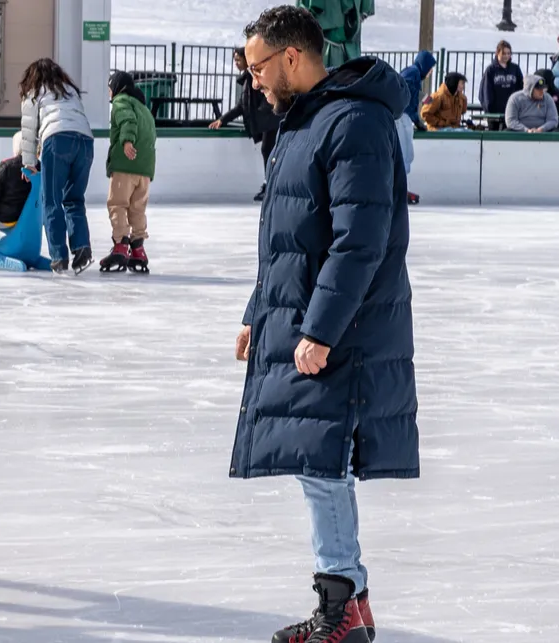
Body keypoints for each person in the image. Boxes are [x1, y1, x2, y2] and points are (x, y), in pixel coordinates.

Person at [233, 7, 418, 643]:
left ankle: (341, 606)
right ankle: (350, 605)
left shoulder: (354, 120)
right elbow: (287, 237)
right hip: (307, 320)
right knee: (318, 464)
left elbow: (359, 239)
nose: (253, 81)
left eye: (257, 67)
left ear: (292, 57)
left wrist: (321, 330)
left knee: (321, 463)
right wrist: (258, 314)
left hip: (344, 331)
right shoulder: (306, 121)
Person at [19, 58, 95, 274]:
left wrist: (29, 163)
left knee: (51, 200)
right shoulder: (70, 90)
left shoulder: (34, 93)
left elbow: (28, 130)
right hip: (85, 142)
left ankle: (59, 257)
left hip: (57, 140)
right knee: (74, 200)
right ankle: (81, 249)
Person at [209, 47, 282, 201]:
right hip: (266, 122)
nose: (236, 63)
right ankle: (269, 183)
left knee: (268, 150)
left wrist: (261, 112)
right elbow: (242, 106)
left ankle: (271, 184)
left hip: (271, 120)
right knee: (267, 151)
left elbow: (268, 97)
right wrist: (222, 120)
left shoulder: (256, 77)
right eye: (234, 60)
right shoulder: (247, 80)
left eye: (238, 59)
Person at [101, 71, 156, 273]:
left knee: (117, 204)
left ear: (117, 87)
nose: (109, 93)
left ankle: (121, 246)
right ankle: (138, 249)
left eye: (110, 88)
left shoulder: (121, 101)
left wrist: (126, 142)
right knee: (137, 209)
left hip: (126, 164)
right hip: (145, 169)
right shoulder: (143, 108)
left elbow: (128, 121)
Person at [396, 51, 436, 205]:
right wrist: (417, 121)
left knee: (406, 154)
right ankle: (399, 189)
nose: (430, 72)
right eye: (430, 68)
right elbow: (408, 98)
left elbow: (411, 94)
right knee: (404, 153)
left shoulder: (413, 74)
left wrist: (422, 97)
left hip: (402, 116)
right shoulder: (413, 74)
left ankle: (400, 188)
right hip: (402, 117)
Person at [479, 40, 524, 130]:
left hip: (511, 110)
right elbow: (486, 91)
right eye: (503, 53)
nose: (506, 56)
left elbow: (521, 87)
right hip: (494, 112)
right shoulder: (491, 70)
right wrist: (489, 109)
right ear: (497, 53)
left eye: (508, 53)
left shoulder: (515, 68)